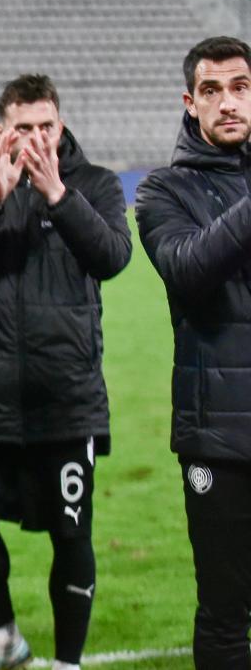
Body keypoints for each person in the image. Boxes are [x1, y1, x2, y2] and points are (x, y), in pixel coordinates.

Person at [0, 74, 131, 670]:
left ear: (61, 125)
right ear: (1, 131)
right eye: (22, 127)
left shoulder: (96, 184)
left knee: (71, 534)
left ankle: (68, 662)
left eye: (45, 126)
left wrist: (58, 194)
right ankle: (3, 638)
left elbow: (112, 257)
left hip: (68, 396)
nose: (35, 137)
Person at [136, 35, 251, 669]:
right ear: (191, 102)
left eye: (241, 87)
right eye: (212, 90)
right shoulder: (163, 191)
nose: (228, 102)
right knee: (226, 613)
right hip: (218, 439)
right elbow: (188, 269)